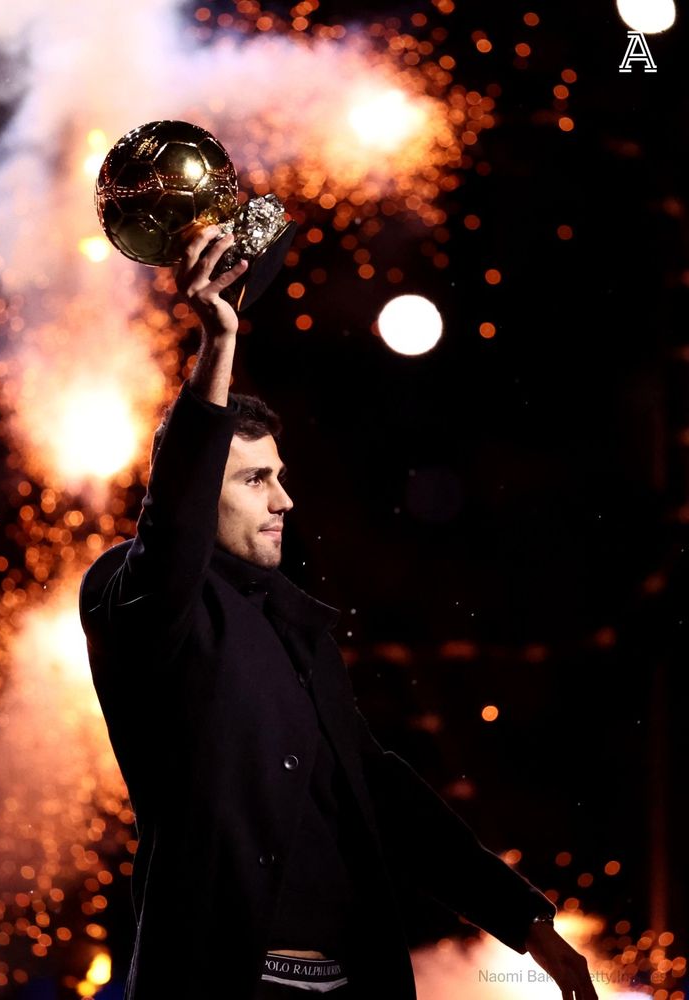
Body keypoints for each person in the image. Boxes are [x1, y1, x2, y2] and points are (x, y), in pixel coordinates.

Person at [79, 226, 598, 1000]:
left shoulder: (297, 631)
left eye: (280, 476)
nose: (284, 498)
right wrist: (219, 339)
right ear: (194, 489)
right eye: (255, 480)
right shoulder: (136, 597)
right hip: (225, 979)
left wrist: (527, 926)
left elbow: (383, 793)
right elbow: (171, 531)